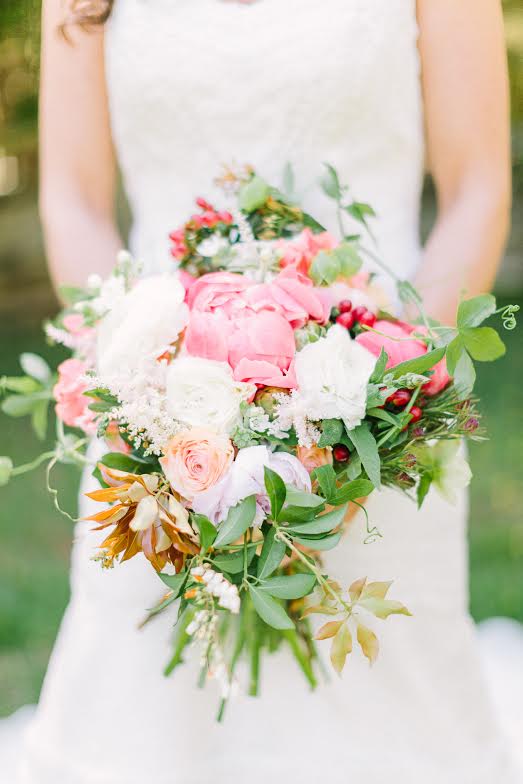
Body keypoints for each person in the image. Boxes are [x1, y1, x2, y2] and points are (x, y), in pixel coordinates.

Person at [4, 1, 522, 781]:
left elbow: (477, 185)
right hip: (159, 413)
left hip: (375, 404)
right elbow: (73, 199)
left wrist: (383, 397)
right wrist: (145, 387)